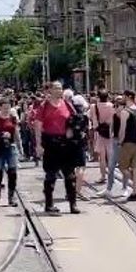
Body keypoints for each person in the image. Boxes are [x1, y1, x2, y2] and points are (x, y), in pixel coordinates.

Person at [33, 82, 81, 215]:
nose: (59, 90)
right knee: (50, 175)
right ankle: (49, 204)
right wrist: (38, 144)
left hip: (66, 143)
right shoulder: (44, 105)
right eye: (56, 88)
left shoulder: (67, 104)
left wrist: (71, 130)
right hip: (50, 142)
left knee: (70, 175)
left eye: (60, 88)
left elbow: (75, 119)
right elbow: (38, 124)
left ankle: (73, 204)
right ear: (50, 90)